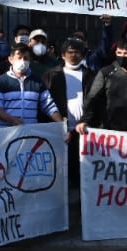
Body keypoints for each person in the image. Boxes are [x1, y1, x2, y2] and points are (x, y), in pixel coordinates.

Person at [46, 39, 95, 186]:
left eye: (77, 52)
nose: (74, 55)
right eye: (70, 52)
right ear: (62, 55)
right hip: (61, 129)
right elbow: (46, 102)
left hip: (83, 130)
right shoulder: (52, 75)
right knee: (61, 168)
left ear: (83, 55)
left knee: (82, 169)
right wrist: (59, 124)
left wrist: (87, 120)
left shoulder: (91, 75)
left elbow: (95, 101)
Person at [0, 45, 62, 128]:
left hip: (30, 133)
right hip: (5, 132)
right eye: (19, 57)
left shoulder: (37, 82)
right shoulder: (0, 81)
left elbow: (49, 106)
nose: (23, 61)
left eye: (26, 58)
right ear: (11, 59)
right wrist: (12, 120)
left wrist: (61, 125)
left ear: (30, 60)